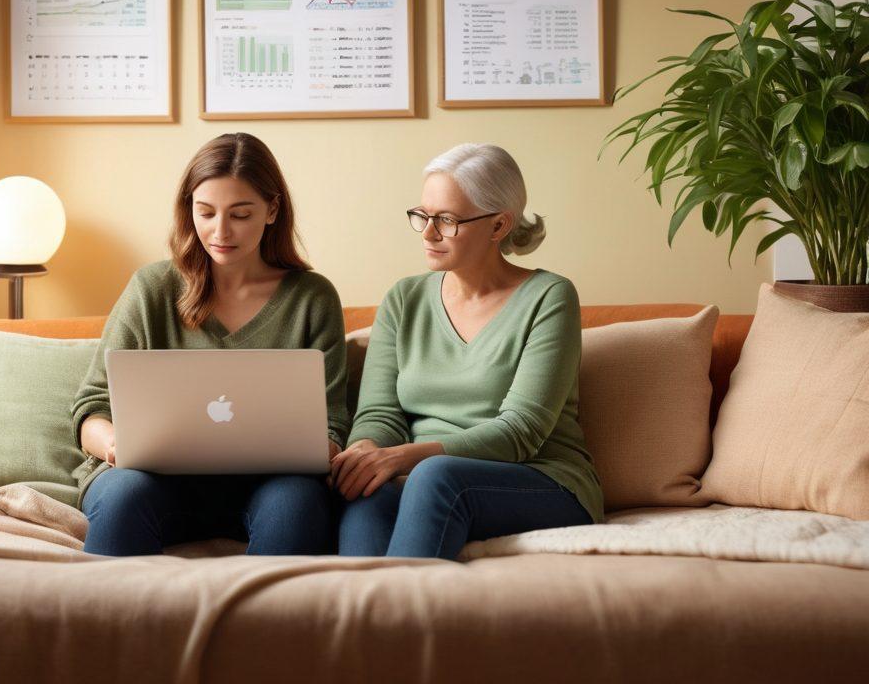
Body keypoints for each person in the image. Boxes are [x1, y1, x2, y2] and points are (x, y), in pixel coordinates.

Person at [71, 133, 349, 556]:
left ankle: (274, 622)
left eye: (240, 214)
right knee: (123, 497)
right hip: (151, 482)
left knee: (297, 506)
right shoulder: (152, 289)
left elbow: (331, 424)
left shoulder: (312, 298)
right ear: (189, 211)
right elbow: (91, 405)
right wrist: (113, 443)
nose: (220, 231)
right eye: (206, 213)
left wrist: (315, 447)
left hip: (270, 486)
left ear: (272, 210)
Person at [332, 143, 602, 560]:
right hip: (422, 477)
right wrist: (368, 451)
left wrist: (404, 457)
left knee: (436, 477)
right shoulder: (404, 299)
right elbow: (379, 414)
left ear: (498, 226)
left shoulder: (550, 296)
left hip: (538, 478)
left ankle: (388, 617)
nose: (427, 232)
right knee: (364, 487)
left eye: (446, 220)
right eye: (422, 215)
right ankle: (369, 618)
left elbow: (521, 430)